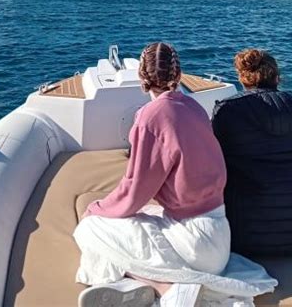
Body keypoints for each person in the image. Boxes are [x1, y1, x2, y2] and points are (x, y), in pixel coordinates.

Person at [74, 42, 231, 307]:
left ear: (142, 78)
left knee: (89, 230)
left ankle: (163, 288)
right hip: (219, 238)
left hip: (192, 244)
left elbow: (135, 189)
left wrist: (97, 208)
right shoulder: (194, 108)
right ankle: (140, 285)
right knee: (145, 213)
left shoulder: (151, 117)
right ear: (178, 74)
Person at [212, 48, 292, 257]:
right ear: (276, 78)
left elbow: (216, 161)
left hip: (248, 237)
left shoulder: (226, 109)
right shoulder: (291, 104)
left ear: (242, 78)